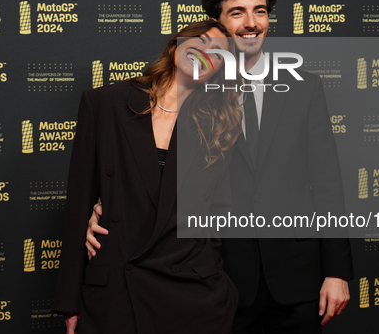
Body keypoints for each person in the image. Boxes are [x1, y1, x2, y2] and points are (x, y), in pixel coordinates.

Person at [86, 0, 353, 333]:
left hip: (297, 275)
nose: (251, 23)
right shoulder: (190, 93)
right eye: (237, 12)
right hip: (220, 278)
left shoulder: (305, 88)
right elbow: (156, 176)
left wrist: (336, 271)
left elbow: (327, 183)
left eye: (260, 11)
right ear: (218, 23)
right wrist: (107, 211)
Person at [53, 20, 242, 334]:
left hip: (192, 296)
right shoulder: (104, 104)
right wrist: (69, 302)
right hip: (117, 295)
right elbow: (77, 208)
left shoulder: (219, 125)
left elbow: (220, 216)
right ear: (177, 44)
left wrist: (222, 290)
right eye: (202, 40)